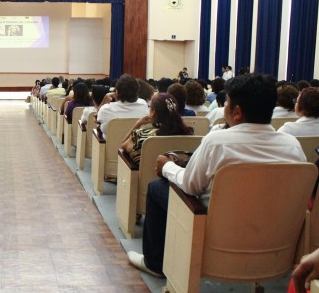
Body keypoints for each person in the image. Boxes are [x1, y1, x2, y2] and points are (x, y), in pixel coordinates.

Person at [127, 73, 306, 278]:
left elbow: (190, 185)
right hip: (275, 238)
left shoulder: (217, 141)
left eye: (228, 102)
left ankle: (155, 263)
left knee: (157, 187)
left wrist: (167, 167)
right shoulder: (292, 145)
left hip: (219, 232)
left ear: (237, 112)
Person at [121, 93, 192, 164]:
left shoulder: (141, 136)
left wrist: (138, 123)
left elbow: (123, 146)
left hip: (147, 174)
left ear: (153, 112)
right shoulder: (190, 135)